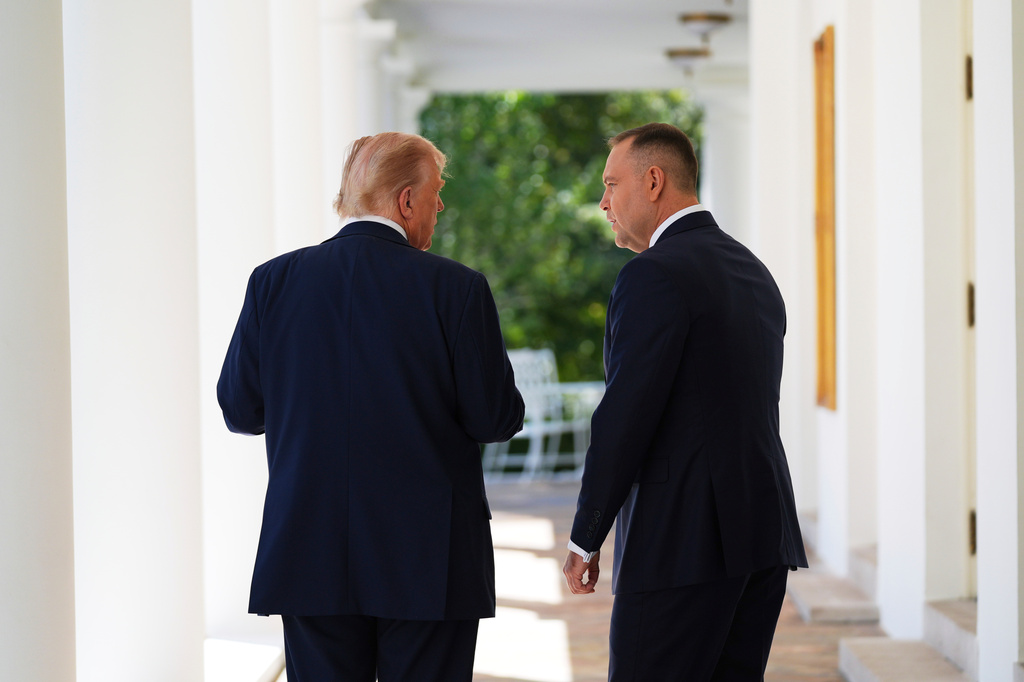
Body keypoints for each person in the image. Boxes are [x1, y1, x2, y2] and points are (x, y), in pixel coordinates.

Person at [218, 131, 525, 682]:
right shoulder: (457, 289)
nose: (440, 207)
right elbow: (495, 419)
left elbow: (241, 410)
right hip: (430, 560)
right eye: (437, 194)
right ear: (406, 201)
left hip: (310, 552)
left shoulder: (272, 282)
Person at [562, 122, 808, 681]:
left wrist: (586, 534)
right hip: (761, 534)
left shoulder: (652, 275)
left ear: (653, 181)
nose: (604, 204)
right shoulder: (752, 271)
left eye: (611, 184)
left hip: (685, 542)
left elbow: (625, 419)